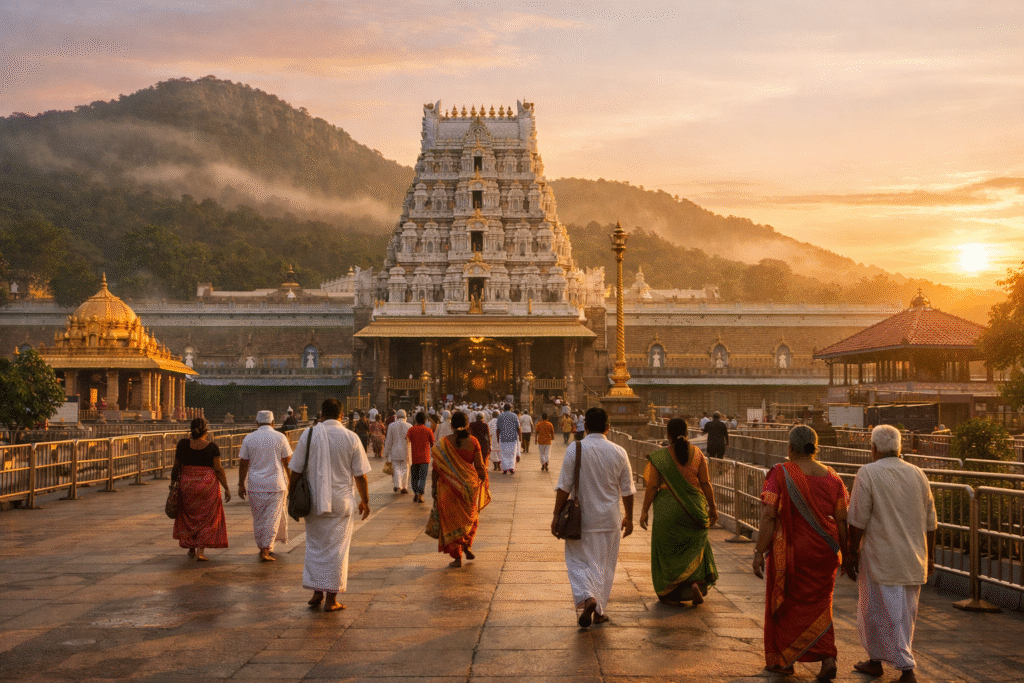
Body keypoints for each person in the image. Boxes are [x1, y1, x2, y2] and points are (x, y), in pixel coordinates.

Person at [753, 425, 849, 680]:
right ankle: (827, 657)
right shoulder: (833, 476)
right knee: (822, 606)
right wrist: (847, 554)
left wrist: (758, 551)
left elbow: (769, 514)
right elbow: (842, 519)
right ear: (815, 447)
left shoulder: (780, 473)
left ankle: (784, 659)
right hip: (825, 551)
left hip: (792, 552)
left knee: (786, 605)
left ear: (790, 448)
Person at [844, 425, 936, 683]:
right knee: (901, 615)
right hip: (913, 557)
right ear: (899, 447)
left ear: (873, 448)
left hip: (880, 557)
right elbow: (931, 522)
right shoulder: (918, 474)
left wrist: (851, 553)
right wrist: (930, 557)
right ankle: (875, 660)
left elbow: (857, 520)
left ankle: (906, 667)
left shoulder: (867, 472)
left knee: (881, 614)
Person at [551, 407, 636, 627]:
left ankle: (588, 597)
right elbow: (627, 490)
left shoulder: (575, 448)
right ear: (608, 427)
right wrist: (629, 517)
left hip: (581, 519)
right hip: (609, 519)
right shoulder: (619, 451)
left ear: (585, 426)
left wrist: (556, 514)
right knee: (605, 566)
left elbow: (564, 486)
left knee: (577, 561)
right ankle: (599, 611)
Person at [288, 398, 371, 612]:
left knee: (315, 547)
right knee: (337, 551)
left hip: (314, 502)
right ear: (342, 415)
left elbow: (295, 471)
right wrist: (365, 501)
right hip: (341, 503)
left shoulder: (308, 434)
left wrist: (291, 496)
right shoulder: (351, 437)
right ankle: (331, 599)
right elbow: (360, 475)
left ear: (322, 414)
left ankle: (317, 591)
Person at [639, 418, 719, 605]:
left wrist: (644, 511)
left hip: (668, 509)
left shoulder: (660, 457)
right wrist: (713, 507)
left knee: (668, 552)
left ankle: (672, 594)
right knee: (695, 547)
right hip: (694, 509)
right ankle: (695, 583)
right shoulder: (698, 454)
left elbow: (652, 486)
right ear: (687, 433)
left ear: (668, 435)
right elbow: (705, 483)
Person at [429, 410, 491, 568]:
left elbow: (436, 468)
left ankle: (457, 557)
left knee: (451, 522)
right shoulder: (473, 442)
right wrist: (482, 481)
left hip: (447, 489)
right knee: (471, 518)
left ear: (451, 426)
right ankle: (467, 545)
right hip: (468, 488)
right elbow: (479, 466)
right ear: (467, 424)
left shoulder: (443, 443)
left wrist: (433, 487)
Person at [172, 417, 230, 561]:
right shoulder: (212, 447)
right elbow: (218, 469)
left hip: (187, 485)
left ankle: (191, 548)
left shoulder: (183, 444)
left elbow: (176, 466)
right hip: (207, 486)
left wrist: (173, 485)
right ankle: (201, 551)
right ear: (206, 431)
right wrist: (226, 488)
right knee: (206, 518)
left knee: (189, 517)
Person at [237, 410, 292, 561]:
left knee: (259, 519)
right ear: (273, 423)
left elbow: (243, 463)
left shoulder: (249, 438)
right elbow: (287, 461)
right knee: (272, 518)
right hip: (276, 484)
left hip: (255, 485)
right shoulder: (280, 437)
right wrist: (291, 481)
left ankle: (264, 545)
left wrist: (241, 484)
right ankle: (265, 548)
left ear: (257, 423)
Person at [406, 411, 435, 504]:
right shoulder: (428, 430)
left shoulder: (411, 430)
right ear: (425, 420)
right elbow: (432, 443)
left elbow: (407, 440)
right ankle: (420, 495)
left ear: (416, 420)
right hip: (425, 458)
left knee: (414, 477)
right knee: (422, 477)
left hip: (414, 458)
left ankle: (415, 493)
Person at [383, 409, 412, 493]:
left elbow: (389, 440)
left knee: (396, 468)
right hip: (406, 451)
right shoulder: (409, 426)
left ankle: (397, 485)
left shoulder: (391, 426)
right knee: (405, 469)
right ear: (405, 417)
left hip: (395, 451)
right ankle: (404, 487)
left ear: (396, 416)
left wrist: (386, 452)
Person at [496, 403, 520, 474]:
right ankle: (511, 468)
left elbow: (498, 429)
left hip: (503, 438)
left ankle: (505, 469)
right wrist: (519, 437)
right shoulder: (514, 416)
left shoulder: (500, 416)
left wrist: (498, 438)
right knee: (512, 454)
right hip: (513, 438)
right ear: (511, 408)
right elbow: (518, 427)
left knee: (504, 454)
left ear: (504, 408)